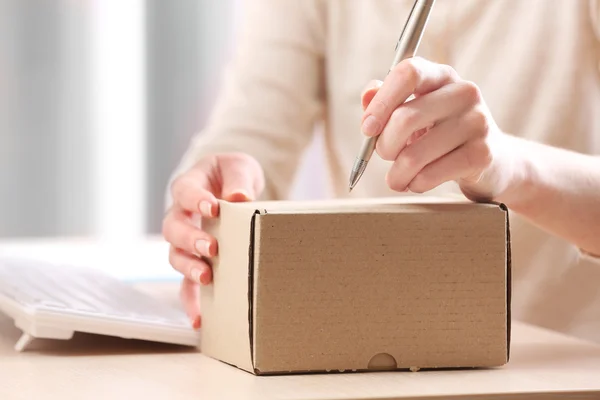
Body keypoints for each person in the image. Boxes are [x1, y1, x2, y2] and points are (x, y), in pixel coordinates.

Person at [162, 0, 600, 343]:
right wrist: (219, 192)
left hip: (561, 363)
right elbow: (252, 126)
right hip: (365, 354)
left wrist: (510, 166)